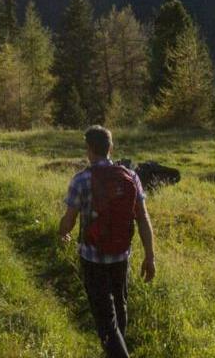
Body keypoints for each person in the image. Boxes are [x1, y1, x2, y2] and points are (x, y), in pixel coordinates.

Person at [57, 125, 156, 358]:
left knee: (105, 320)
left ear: (88, 149)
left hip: (93, 258)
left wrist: (62, 232)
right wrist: (150, 256)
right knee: (119, 309)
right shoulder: (130, 176)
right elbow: (142, 217)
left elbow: (69, 220)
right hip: (122, 254)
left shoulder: (81, 180)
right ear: (111, 148)